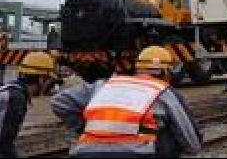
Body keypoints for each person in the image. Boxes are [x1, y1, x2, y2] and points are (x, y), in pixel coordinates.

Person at [51, 46, 202, 158]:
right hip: (136, 154)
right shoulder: (163, 92)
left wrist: (84, 127)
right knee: (169, 134)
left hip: (86, 152)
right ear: (166, 73)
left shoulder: (105, 85)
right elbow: (190, 142)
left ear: (138, 69)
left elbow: (59, 102)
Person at [1, 51, 58, 158]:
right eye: (49, 80)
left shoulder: (9, 90)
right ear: (41, 79)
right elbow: (4, 141)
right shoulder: (16, 99)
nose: (50, 85)